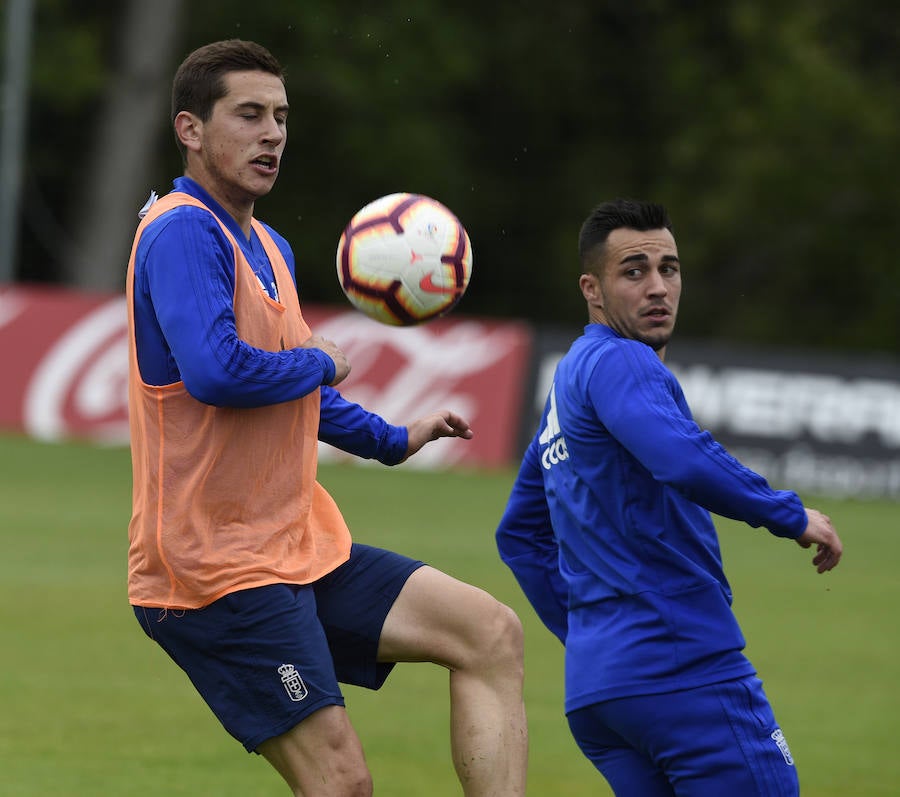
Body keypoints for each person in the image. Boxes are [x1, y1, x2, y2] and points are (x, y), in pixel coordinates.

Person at [125, 39, 527, 797]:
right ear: (189, 129)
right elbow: (217, 372)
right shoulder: (183, 230)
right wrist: (320, 360)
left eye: (280, 116)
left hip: (295, 545)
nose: (272, 133)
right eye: (249, 115)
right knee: (341, 784)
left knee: (489, 632)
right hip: (213, 573)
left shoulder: (267, 243)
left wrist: (391, 439)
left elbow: (294, 388)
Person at [495, 198, 843, 797]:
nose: (657, 287)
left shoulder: (566, 385)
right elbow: (681, 458)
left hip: (599, 693)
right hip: (680, 666)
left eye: (669, 268)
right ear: (592, 288)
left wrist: (589, 635)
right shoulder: (622, 360)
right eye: (634, 271)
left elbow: (519, 536)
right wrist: (790, 514)